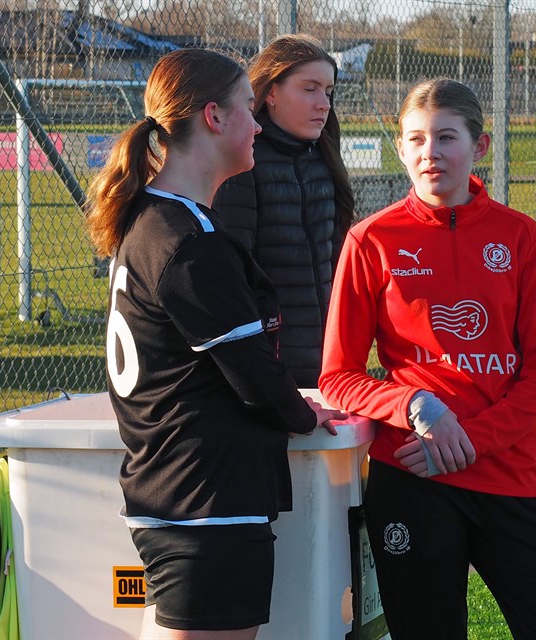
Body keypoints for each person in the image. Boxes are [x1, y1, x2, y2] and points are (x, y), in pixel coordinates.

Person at [319, 78, 536, 639]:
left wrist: (468, 439)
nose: (431, 153)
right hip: (412, 476)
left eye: (446, 137)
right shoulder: (371, 240)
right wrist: (415, 405)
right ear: (401, 149)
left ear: (480, 146)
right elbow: (338, 377)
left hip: (511, 475)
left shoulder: (521, 239)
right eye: (416, 139)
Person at [85, 48, 345, 640]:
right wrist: (304, 412)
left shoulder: (156, 219)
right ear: (213, 117)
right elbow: (252, 374)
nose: (257, 126)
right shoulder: (187, 239)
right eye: (248, 109)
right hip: (205, 500)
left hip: (181, 494)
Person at [212, 33, 355, 388]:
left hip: (329, 363)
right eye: (310, 89)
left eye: (328, 91)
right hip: (267, 369)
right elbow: (233, 276)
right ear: (271, 93)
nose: (323, 104)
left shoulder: (324, 160)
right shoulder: (243, 164)